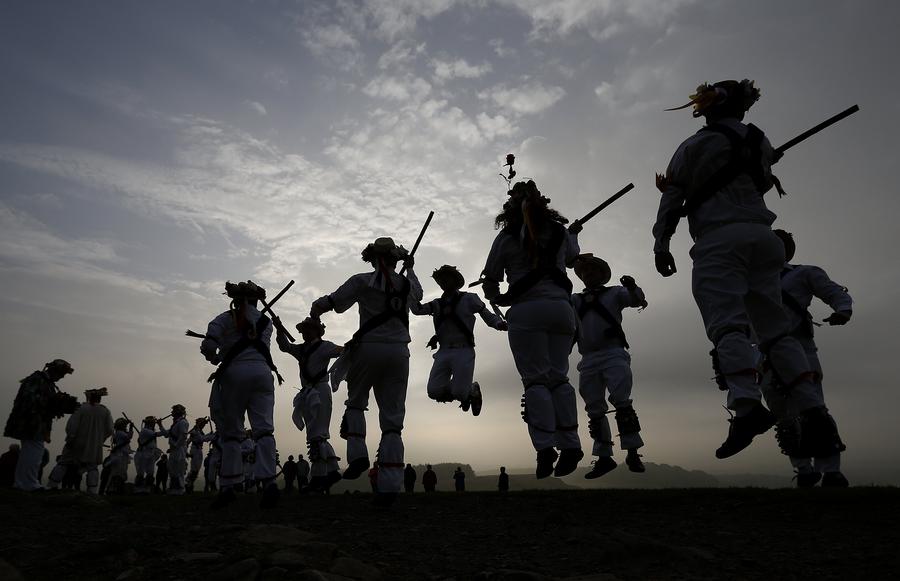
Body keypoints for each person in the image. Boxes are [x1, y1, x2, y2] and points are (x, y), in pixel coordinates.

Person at [653, 79, 820, 458]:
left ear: (707, 107)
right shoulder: (760, 143)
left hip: (719, 240)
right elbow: (761, 183)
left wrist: (661, 242)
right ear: (743, 108)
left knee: (728, 324)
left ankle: (745, 407)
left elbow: (674, 195)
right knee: (775, 330)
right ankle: (814, 410)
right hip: (763, 238)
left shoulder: (693, 145)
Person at [480, 180, 583, 478]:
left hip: (527, 311)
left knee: (536, 381)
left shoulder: (506, 237)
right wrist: (573, 234)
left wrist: (494, 296)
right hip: (563, 310)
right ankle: (571, 444)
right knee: (558, 378)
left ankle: (544, 447)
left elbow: (491, 278)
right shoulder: (559, 232)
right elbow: (573, 259)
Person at [310, 237, 423, 506]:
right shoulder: (405, 283)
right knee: (393, 420)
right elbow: (417, 299)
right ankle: (389, 488)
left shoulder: (361, 281)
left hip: (368, 349)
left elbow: (333, 301)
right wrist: (411, 269)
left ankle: (358, 454)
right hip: (399, 352)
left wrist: (316, 311)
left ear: (372, 259)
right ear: (395, 260)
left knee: (357, 403)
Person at [761, 229, 852, 487]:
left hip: (800, 346)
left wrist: (843, 310)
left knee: (814, 406)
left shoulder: (804, 273)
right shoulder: (750, 281)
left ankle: (831, 470)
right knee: (783, 413)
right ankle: (803, 470)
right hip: (766, 353)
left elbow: (833, 291)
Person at [202, 280, 282, 509]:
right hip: (263, 373)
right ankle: (268, 483)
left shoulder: (224, 319)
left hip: (234, 374)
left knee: (231, 431)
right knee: (264, 429)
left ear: (235, 300)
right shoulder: (267, 323)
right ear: (257, 300)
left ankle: (228, 486)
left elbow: (208, 347)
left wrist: (215, 358)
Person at [572, 254, 648, 479]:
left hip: (614, 353)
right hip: (587, 358)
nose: (588, 275)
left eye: (592, 271)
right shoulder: (574, 299)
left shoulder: (615, 292)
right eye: (585, 272)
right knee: (594, 408)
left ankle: (633, 452)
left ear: (602, 275)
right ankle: (604, 457)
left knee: (622, 403)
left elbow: (635, 299)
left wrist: (632, 286)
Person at [410, 265, 507, 414]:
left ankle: (470, 391)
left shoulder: (469, 299)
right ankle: (465, 392)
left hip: (464, 350)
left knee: (460, 392)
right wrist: (410, 278)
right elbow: (417, 310)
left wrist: (498, 323)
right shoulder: (437, 304)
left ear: (455, 280)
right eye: (440, 280)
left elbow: (487, 315)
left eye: (446, 279)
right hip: (444, 351)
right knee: (434, 391)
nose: (442, 282)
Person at [276, 317, 343, 492]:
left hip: (320, 391)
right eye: (304, 330)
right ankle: (333, 471)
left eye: (309, 329)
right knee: (316, 434)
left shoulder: (325, 346)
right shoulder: (301, 349)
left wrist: (353, 345)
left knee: (317, 435)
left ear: (317, 331)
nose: (305, 332)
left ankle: (318, 478)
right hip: (308, 393)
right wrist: (279, 328)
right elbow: (285, 347)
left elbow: (342, 352)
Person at [4, 359, 77, 491]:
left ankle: (21, 483)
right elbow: (30, 400)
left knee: (29, 452)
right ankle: (29, 484)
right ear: (55, 370)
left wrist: (61, 404)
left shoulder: (45, 382)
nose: (62, 377)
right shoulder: (37, 379)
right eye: (62, 373)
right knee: (35, 452)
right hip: (31, 423)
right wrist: (55, 402)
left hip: (34, 422)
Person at [46, 388, 114, 494]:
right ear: (99, 398)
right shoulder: (105, 411)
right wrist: (99, 439)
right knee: (92, 467)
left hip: (76, 442)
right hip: (94, 446)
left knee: (64, 463)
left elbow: (71, 426)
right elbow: (110, 429)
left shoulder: (81, 408)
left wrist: (71, 437)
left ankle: (52, 485)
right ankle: (92, 491)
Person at [158, 405, 189, 495]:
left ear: (178, 412)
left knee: (178, 469)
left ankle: (179, 490)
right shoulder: (175, 424)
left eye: (174, 411)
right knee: (172, 469)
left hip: (178, 450)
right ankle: (174, 489)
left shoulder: (182, 422)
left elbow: (183, 436)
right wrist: (160, 425)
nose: (172, 412)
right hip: (174, 450)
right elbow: (167, 434)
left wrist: (176, 445)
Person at [102, 417, 134, 494]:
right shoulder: (119, 433)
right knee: (118, 472)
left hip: (121, 454)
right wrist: (131, 427)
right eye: (124, 425)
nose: (125, 427)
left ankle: (115, 489)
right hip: (120, 455)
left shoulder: (118, 433)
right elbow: (128, 437)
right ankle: (114, 489)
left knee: (120, 471)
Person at [134, 416, 162, 494]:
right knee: (141, 472)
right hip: (143, 454)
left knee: (150, 472)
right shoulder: (145, 430)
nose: (154, 425)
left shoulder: (149, 431)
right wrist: (161, 426)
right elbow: (158, 434)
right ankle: (138, 489)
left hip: (151, 454)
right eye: (153, 423)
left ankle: (147, 489)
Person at [186, 417, 213, 493]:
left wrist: (209, 435)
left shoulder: (199, 431)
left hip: (199, 450)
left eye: (204, 424)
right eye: (203, 424)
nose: (204, 425)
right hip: (195, 450)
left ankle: (190, 484)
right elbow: (189, 441)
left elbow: (203, 438)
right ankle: (189, 485)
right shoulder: (194, 431)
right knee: (194, 469)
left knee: (197, 469)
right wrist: (186, 452)